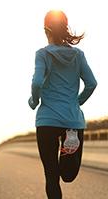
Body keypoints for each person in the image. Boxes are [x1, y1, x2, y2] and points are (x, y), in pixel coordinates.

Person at [28, 10, 97, 199]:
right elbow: (92, 84)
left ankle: (66, 149)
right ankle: (69, 144)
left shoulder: (42, 54)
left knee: (51, 177)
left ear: (46, 30)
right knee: (68, 175)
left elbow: (37, 83)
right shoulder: (78, 55)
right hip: (72, 121)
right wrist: (76, 102)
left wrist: (34, 100)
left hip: (47, 121)